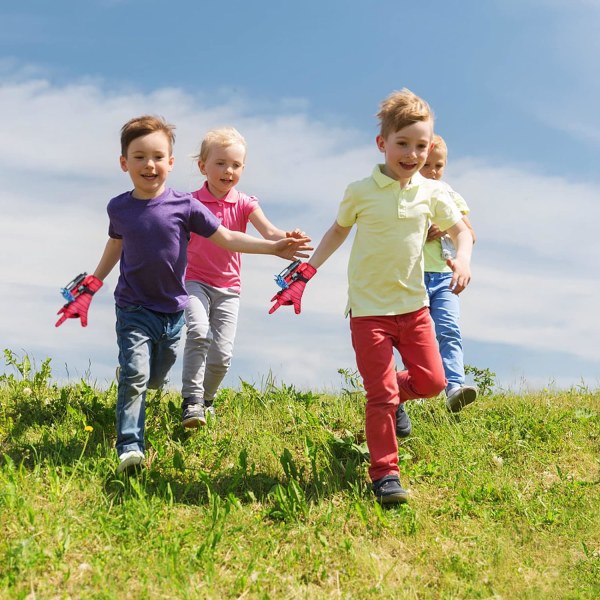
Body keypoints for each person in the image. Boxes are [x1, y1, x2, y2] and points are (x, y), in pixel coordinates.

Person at [55, 115, 311, 473]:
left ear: (171, 163)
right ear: (124, 162)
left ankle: (156, 381)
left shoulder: (187, 206)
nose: (150, 164)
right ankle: (130, 445)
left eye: (158, 156)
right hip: (132, 306)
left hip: (172, 310)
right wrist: (94, 283)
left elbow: (227, 238)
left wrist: (274, 248)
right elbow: (115, 243)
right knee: (136, 376)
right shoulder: (119, 207)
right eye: (140, 156)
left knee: (157, 376)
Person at [269, 90, 473, 504]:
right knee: (379, 396)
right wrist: (306, 273)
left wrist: (463, 259)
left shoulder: (432, 194)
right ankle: (385, 474)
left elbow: (461, 231)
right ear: (383, 144)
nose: (412, 154)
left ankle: (394, 396)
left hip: (414, 309)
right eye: (403, 144)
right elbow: (338, 231)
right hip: (368, 314)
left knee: (433, 382)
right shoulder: (360, 191)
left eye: (422, 146)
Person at [180, 127, 309, 427]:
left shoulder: (246, 203)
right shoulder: (189, 204)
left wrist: (287, 237)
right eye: (221, 163)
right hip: (193, 281)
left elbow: (270, 232)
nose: (228, 171)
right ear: (203, 166)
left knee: (222, 355)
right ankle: (192, 401)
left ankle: (207, 399)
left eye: (236, 165)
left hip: (228, 288)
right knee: (198, 333)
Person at [420, 134, 478, 412]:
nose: (432, 171)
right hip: (413, 276)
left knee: (449, 329)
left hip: (444, 276)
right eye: (427, 165)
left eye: (438, 166)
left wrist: (446, 226)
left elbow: (470, 234)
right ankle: (418, 386)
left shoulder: (448, 194)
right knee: (416, 337)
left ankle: (455, 387)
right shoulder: (405, 193)